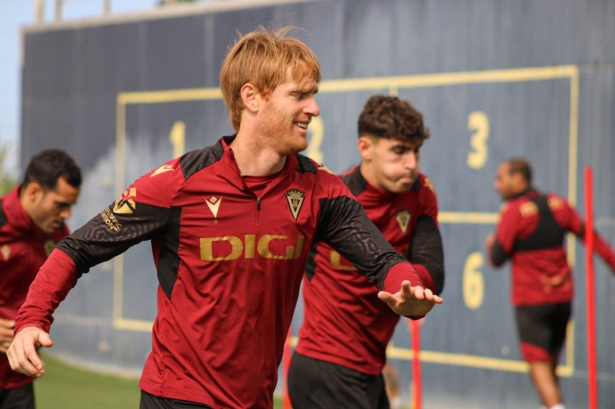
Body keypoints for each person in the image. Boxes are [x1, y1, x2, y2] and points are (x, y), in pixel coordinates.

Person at [8, 27, 442, 409]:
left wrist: (408, 288)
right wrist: (32, 320)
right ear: (252, 97)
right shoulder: (177, 183)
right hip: (175, 397)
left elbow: (382, 260)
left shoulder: (321, 189)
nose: (314, 108)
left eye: (313, 94)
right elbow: (77, 247)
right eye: (299, 95)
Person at [288, 95, 444, 409]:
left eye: (415, 151)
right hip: (324, 367)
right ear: (366, 149)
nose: (411, 163)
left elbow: (431, 268)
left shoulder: (420, 192)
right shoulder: (331, 197)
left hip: (371, 369)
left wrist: (414, 290)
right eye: (399, 151)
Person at [484, 158, 615, 409]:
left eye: (501, 178)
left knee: (539, 366)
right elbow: (593, 239)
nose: (496, 184)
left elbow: (497, 259)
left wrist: (493, 243)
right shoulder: (559, 205)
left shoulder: (513, 213)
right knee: (550, 367)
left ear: (518, 179)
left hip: (531, 303)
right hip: (562, 301)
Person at [0, 149, 81, 409]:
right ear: (34, 192)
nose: (67, 214)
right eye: (60, 204)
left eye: (71, 206)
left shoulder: (59, 235)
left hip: (17, 380)